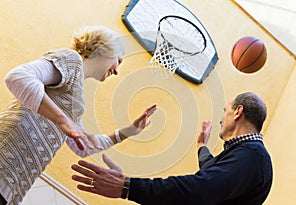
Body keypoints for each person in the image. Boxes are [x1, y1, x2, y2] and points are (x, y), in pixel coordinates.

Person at [0, 25, 157, 205]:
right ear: (105, 49)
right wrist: (64, 121)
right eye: (118, 61)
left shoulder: (75, 97)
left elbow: (82, 146)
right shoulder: (71, 59)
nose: (117, 70)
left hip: (13, 185)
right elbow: (18, 77)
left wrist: (127, 132)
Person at [71, 92, 273, 205]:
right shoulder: (246, 153)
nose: (221, 119)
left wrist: (128, 187)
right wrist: (201, 144)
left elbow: (200, 188)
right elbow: (211, 171)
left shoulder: (252, 155)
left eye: (225, 111)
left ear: (238, 112)